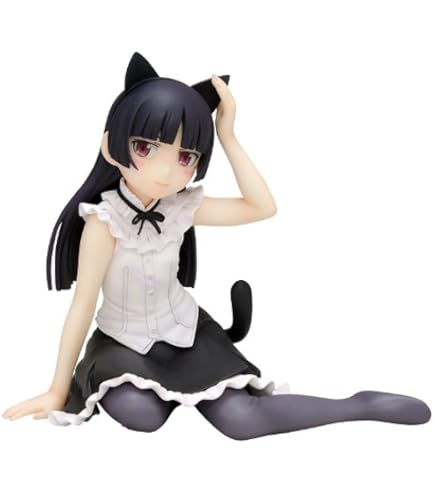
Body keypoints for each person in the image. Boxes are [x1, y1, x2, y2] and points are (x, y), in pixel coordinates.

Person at [2, 52, 431, 440]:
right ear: (110, 145)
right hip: (122, 344)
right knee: (141, 414)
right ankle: (167, 393)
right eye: (146, 147)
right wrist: (58, 389)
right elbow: (82, 304)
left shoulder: (181, 208)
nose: (166, 172)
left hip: (187, 333)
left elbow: (261, 206)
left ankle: (358, 406)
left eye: (185, 156)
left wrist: (227, 136)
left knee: (241, 421)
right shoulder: (103, 221)